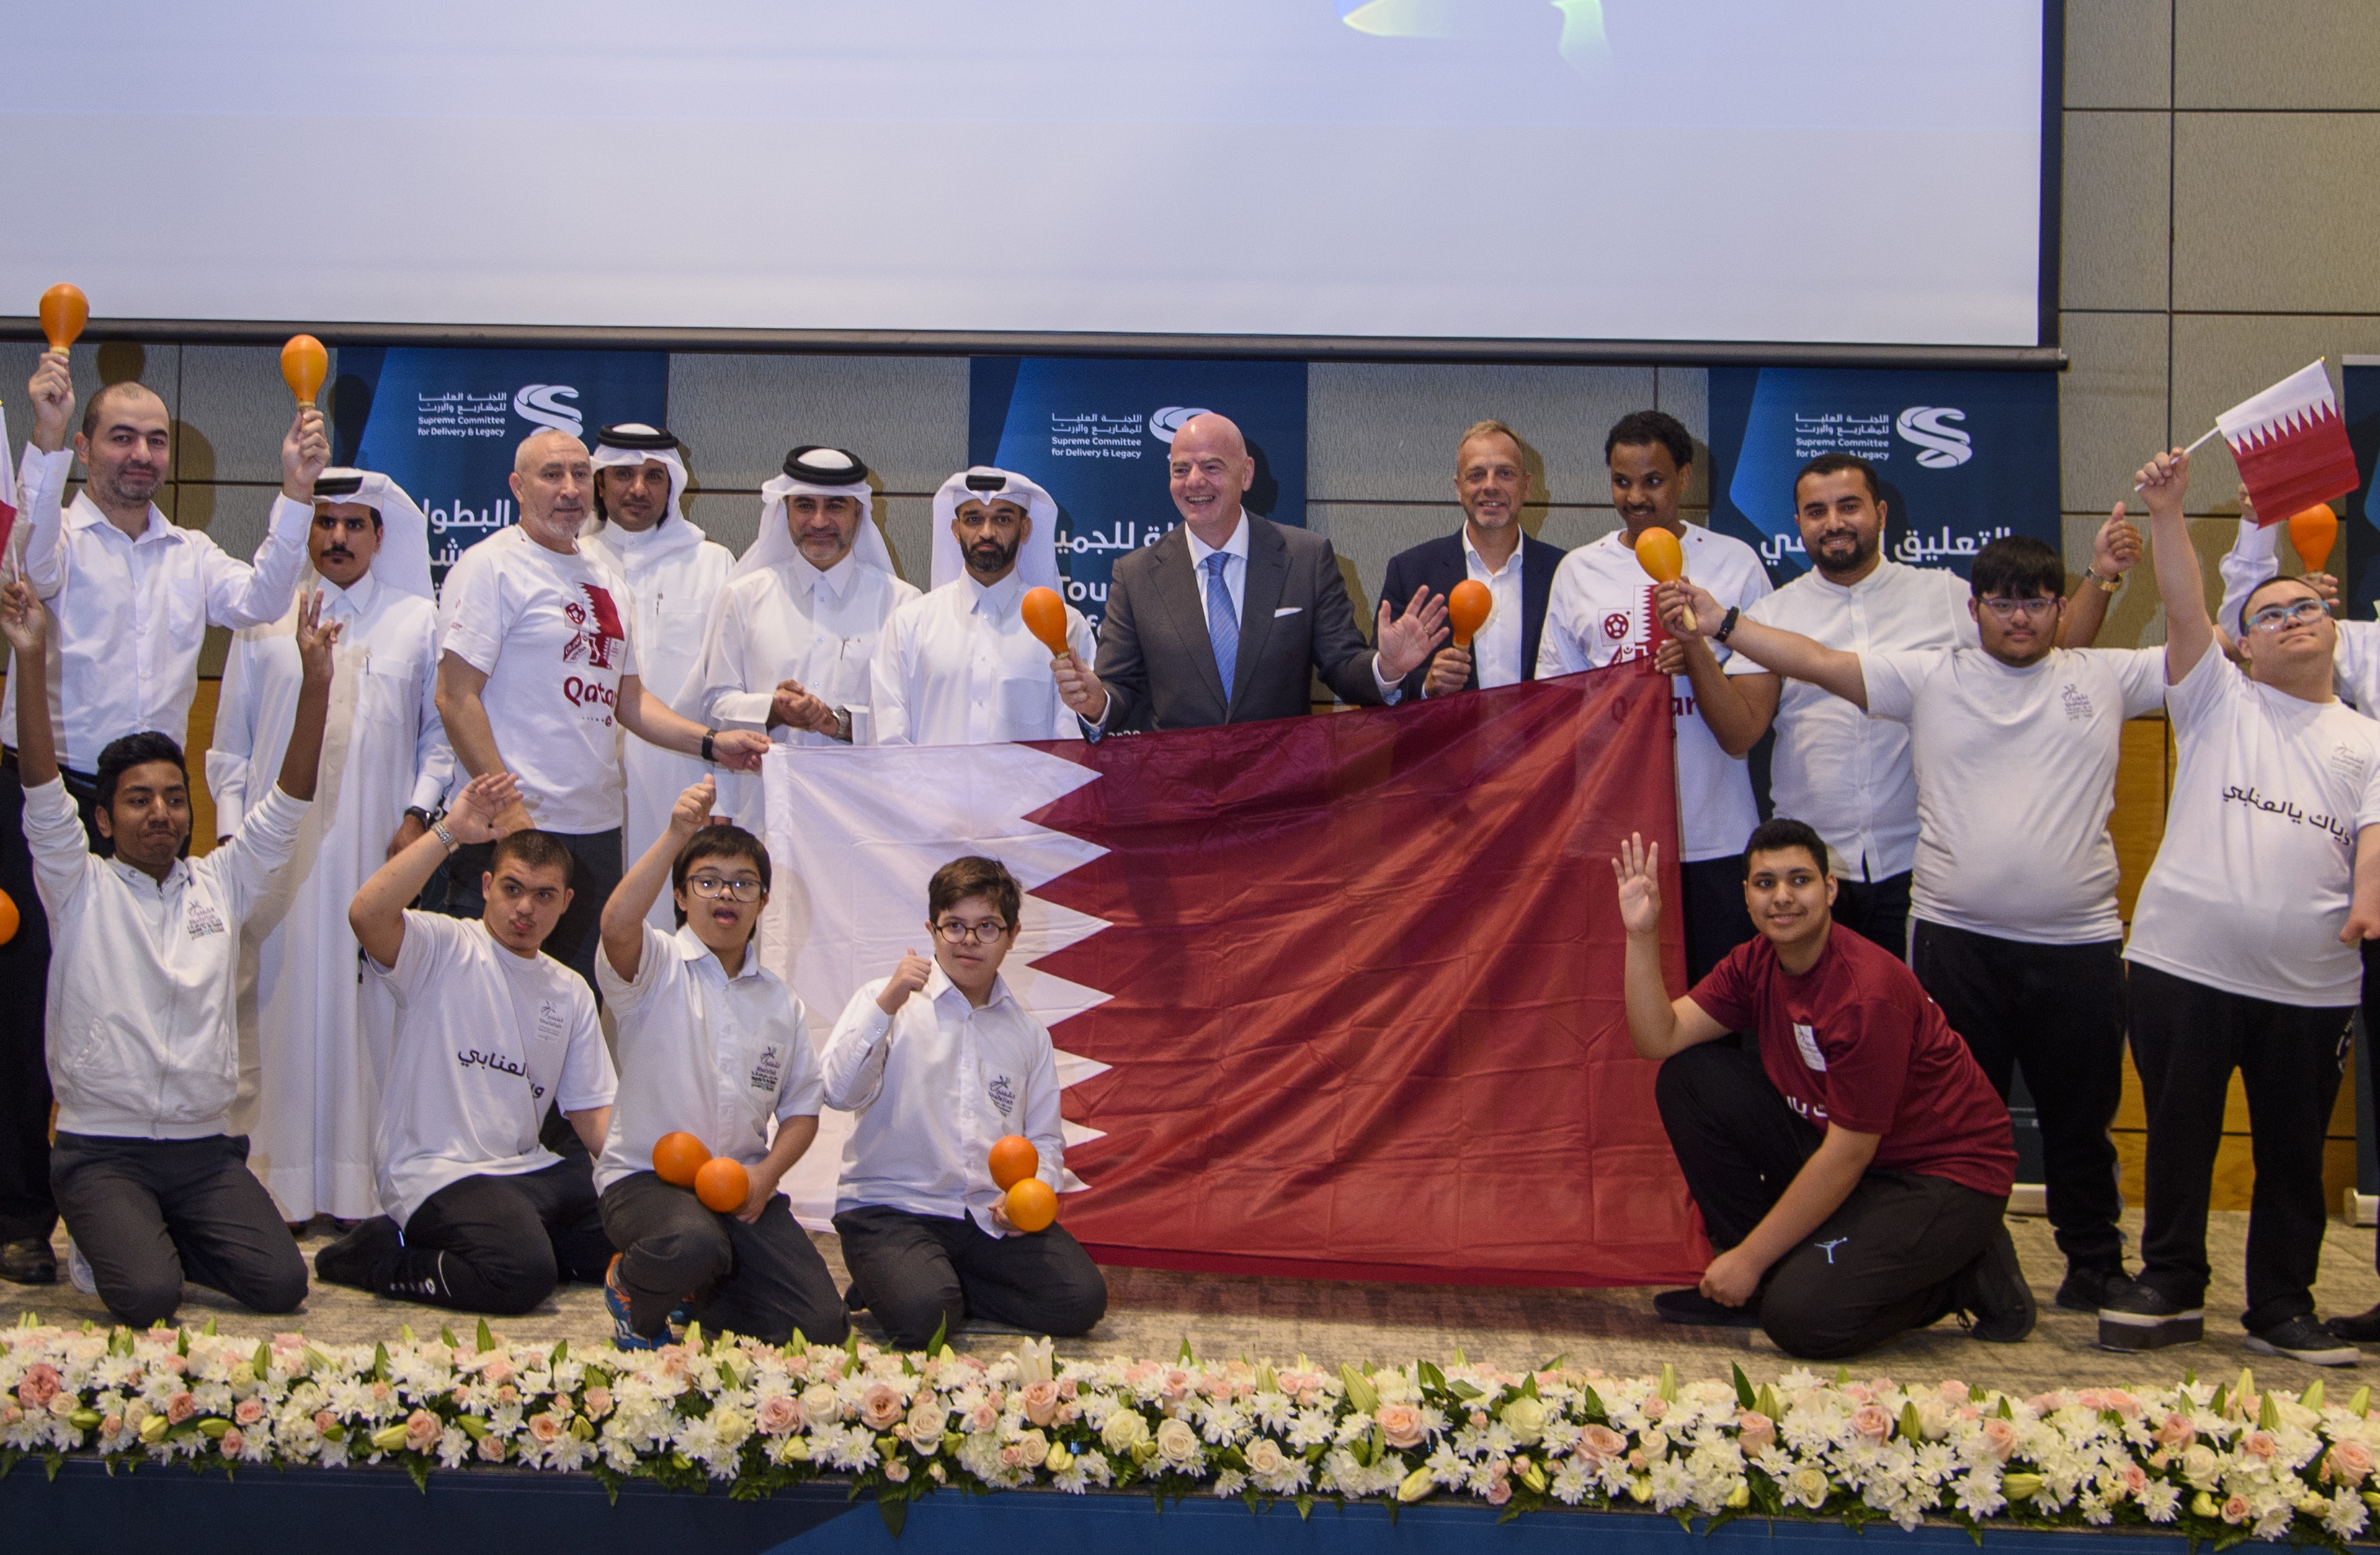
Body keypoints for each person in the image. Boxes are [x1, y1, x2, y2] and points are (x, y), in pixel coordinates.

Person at [1659, 529, 2159, 1314]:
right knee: (1945, 1122)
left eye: (2035, 602)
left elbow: (2213, 654)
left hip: (2080, 939)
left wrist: (2175, 545)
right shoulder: (1932, 676)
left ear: (2059, 608)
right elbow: (1818, 660)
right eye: (2002, 602)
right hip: (1957, 933)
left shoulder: (2101, 675)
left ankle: (2095, 1261)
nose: (2018, 617)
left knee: (2079, 1115)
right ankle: (1979, 1263)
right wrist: (1724, 625)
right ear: (1976, 610)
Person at [0, 355, 322, 1286]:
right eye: (120, 437)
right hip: (50, 793)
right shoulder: (55, 536)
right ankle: (23, 1211)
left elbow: (262, 598)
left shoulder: (190, 556)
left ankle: (158, 1185)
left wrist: (296, 489)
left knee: (160, 988)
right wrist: (46, 436)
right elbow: (23, 565)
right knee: (26, 1004)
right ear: (90, 445)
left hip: (151, 804)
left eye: (154, 441)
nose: (140, 455)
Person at [2103, 446, 2380, 1366]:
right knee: (2180, 1132)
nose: (2292, 619)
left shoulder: (2366, 740)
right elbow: (2184, 606)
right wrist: (2172, 513)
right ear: (2243, 643)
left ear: (2332, 626)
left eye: (2306, 607)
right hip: (2184, 967)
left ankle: (2283, 1304)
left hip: (2312, 987)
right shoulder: (2215, 698)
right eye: (2270, 613)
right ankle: (2172, 1281)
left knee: (2293, 1152)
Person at [1678, 452, 2141, 953]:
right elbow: (1739, 733)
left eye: (1848, 507)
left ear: (1880, 514)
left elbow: (2051, 655)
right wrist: (1692, 645)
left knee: (1912, 1025)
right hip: (1812, 872)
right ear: (1797, 525)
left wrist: (2100, 574)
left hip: (1919, 866)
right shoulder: (1769, 616)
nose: (1833, 523)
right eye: (1816, 512)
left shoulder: (1943, 596)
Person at [1613, 818, 2031, 1358]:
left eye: (1799, 880)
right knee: (1691, 1079)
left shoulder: (1866, 994)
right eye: (1765, 884)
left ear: (1829, 889)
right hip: (1852, 1151)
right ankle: (1760, 1282)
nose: (1781, 897)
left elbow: (1849, 1153)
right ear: (1746, 896)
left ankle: (1968, 1272)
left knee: (1802, 1322)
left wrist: (1750, 1259)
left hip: (1939, 1175)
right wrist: (1641, 935)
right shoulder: (1756, 962)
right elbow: (1657, 1037)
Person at [432, 428, 768, 994]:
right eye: (551, 475)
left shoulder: (603, 579)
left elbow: (628, 700)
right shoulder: (491, 566)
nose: (569, 489)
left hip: (593, 830)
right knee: (489, 1003)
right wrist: (512, 815)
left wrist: (713, 743)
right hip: (511, 827)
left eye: (579, 475)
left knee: (576, 1002)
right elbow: (454, 696)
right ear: (518, 486)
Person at [207, 470, 455, 1226]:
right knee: (274, 1009)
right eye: (325, 524)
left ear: (380, 537)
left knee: (367, 1016)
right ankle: (273, 1188)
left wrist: (417, 815)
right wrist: (228, 842)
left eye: (355, 524)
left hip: (373, 859)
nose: (338, 538)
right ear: (307, 534)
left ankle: (357, 1191)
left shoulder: (418, 619)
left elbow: (439, 739)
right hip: (274, 860)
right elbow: (230, 747)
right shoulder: (263, 616)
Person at [316, 773, 620, 1315]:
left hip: (526, 1169)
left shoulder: (570, 989)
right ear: (486, 887)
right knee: (519, 1275)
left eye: (543, 895)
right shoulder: (440, 944)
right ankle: (380, 1254)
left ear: (566, 902)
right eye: (512, 889)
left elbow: (594, 1116)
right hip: (437, 1171)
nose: (525, 908)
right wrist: (449, 831)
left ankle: (510, 1238)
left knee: (626, 1237)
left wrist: (649, 1186)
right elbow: (366, 914)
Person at [592, 777, 846, 1347]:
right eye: (707, 882)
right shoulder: (655, 967)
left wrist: (767, 1176)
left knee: (822, 1329)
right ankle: (635, 1293)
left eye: (742, 884)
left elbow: (803, 1110)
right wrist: (677, 834)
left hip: (739, 1188)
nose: (725, 895)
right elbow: (615, 925)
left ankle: (699, 1295)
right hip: (644, 1181)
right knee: (692, 1243)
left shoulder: (780, 1001)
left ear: (762, 900)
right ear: (681, 896)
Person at [2214, 496, 2380, 1344]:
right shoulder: (2349, 634)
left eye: (2302, 606)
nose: (2296, 617)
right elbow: (2241, 621)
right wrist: (2256, 523)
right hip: (2361, 911)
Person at [821, 855, 1107, 1349]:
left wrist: (1028, 1201)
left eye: (986, 927)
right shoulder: (886, 999)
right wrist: (886, 1005)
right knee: (924, 1320)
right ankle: (909, 1281)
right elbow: (837, 1091)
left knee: (1079, 1301)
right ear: (931, 929)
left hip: (982, 1216)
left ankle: (930, 1281)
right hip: (891, 1208)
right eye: (954, 925)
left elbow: (1043, 1140)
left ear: (1012, 935)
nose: (969, 940)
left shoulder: (1026, 1034)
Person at [1540, 411, 1771, 983]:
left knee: (1717, 1013)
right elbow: (1556, 709)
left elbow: (1747, 724)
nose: (1635, 497)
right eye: (1622, 481)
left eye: (1653, 480)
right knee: (1623, 1019)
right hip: (1616, 838)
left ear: (1685, 477)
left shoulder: (1734, 563)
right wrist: (1625, 682)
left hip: (1714, 834)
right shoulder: (1578, 571)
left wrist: (1695, 656)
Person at [1053, 413, 1445, 731]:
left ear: (1247, 473)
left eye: (1212, 466)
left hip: (1278, 799)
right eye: (1180, 469)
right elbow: (1120, 689)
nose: (1194, 481)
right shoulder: (1135, 574)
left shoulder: (1305, 558)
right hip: (1179, 800)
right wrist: (1097, 701)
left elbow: (1343, 666)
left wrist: (1388, 668)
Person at [685, 446, 919, 829]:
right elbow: (713, 704)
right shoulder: (744, 596)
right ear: (785, 511)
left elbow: (913, 719)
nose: (820, 520)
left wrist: (838, 722)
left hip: (861, 819)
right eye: (805, 505)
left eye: (836, 506)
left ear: (859, 512)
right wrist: (773, 710)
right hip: (762, 811)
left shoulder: (903, 605)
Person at [581, 424, 735, 930]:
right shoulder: (570, 561)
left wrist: (726, 799)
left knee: (672, 930)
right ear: (599, 484)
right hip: (583, 776)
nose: (638, 489)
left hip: (681, 778)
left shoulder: (713, 564)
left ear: (673, 485)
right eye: (622, 474)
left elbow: (726, 690)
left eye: (654, 476)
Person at [872, 467, 1096, 745]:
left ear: (1024, 529)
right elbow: (888, 738)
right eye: (974, 519)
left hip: (1031, 791)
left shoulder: (1067, 625)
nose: (987, 533)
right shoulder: (909, 624)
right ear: (955, 530)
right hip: (929, 790)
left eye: (1002, 519)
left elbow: (1072, 741)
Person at [1378, 419, 1566, 698]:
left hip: (1539, 742)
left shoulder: (1563, 572)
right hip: (1448, 742)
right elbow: (1382, 686)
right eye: (1476, 475)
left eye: (1505, 473)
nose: (1490, 486)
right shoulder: (1411, 572)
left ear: (1526, 486)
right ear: (1458, 488)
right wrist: (1424, 685)